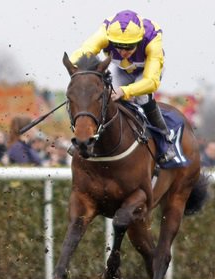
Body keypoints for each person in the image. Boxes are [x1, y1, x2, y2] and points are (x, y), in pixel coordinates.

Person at [70, 10, 176, 164]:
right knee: (105, 96)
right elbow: (81, 53)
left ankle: (165, 140)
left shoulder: (153, 38)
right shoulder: (105, 32)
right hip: (121, 69)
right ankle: (87, 138)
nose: (123, 52)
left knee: (142, 96)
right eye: (119, 47)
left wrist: (125, 91)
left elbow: (151, 81)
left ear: (139, 41)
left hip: (146, 70)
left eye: (129, 47)